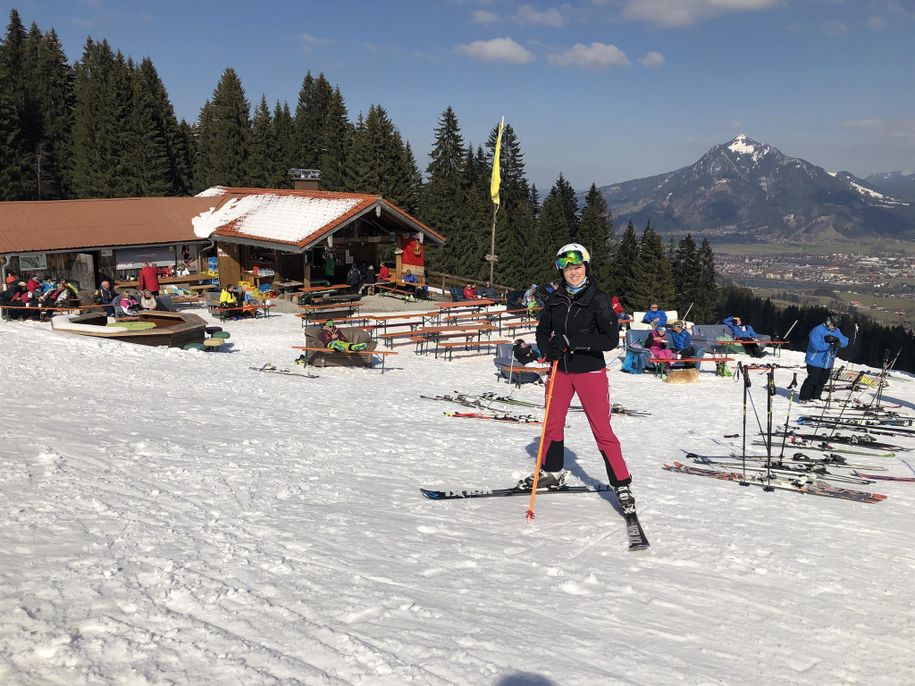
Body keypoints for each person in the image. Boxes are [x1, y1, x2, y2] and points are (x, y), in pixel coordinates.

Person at [526, 242, 635, 513]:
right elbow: (543, 330)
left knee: (602, 429)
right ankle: (552, 471)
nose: (573, 273)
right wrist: (544, 348)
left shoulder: (598, 298)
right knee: (552, 423)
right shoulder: (555, 298)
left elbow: (609, 339)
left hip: (589, 372)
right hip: (560, 371)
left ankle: (621, 484)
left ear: (586, 266)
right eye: (567, 268)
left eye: (577, 267)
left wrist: (572, 342)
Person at [799, 315, 849, 403]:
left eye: (836, 325)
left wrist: (838, 340)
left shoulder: (836, 331)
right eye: (833, 325)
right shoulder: (817, 330)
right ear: (828, 322)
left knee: (822, 380)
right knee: (813, 379)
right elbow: (816, 345)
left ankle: (816, 397)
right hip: (815, 360)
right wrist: (830, 345)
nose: (835, 327)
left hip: (827, 361)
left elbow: (845, 341)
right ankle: (804, 397)